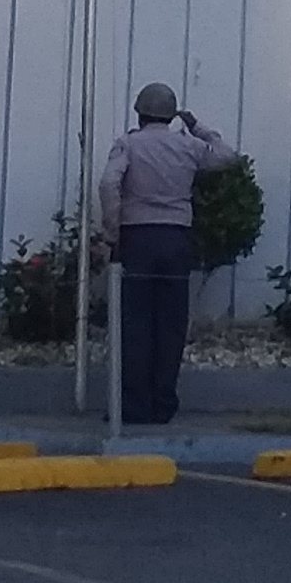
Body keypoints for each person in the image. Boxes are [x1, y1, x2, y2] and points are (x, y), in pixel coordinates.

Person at [94, 82, 234, 426]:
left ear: (139, 112)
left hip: (138, 237)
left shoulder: (128, 143)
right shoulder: (188, 145)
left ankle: (133, 405)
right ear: (172, 116)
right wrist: (196, 125)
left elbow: (109, 183)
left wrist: (113, 231)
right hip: (176, 239)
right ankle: (163, 403)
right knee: (170, 326)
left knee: (135, 323)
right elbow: (229, 156)